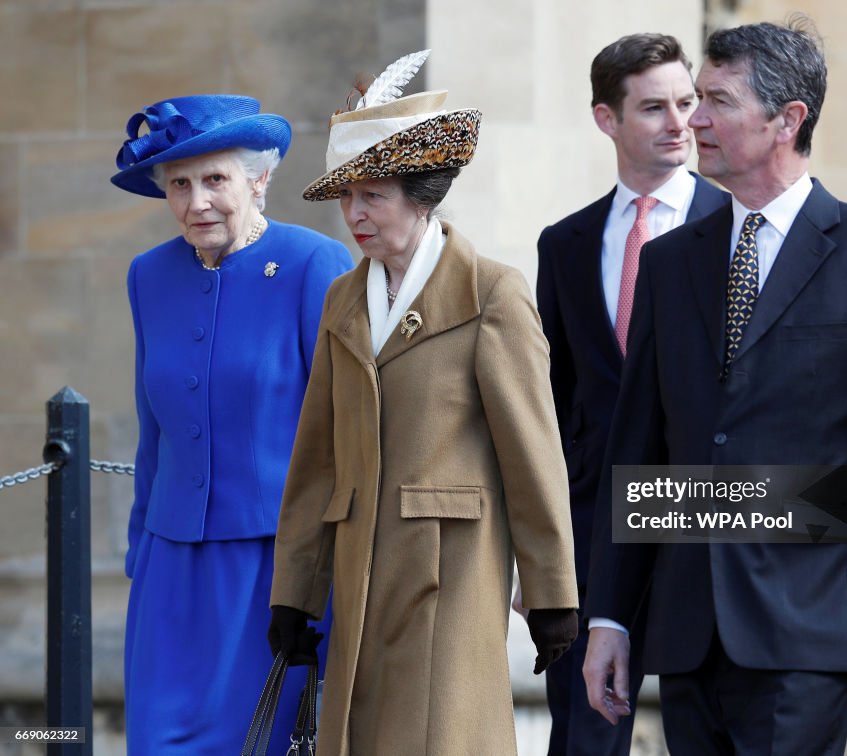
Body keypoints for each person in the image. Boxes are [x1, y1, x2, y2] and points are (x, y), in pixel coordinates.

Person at [583, 19, 847, 755]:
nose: (694, 122)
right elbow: (638, 451)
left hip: (809, 626)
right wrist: (610, 618)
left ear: (788, 120)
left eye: (716, 102)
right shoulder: (670, 264)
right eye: (695, 101)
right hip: (687, 625)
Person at [266, 52, 580, 755]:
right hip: (360, 571)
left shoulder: (492, 293)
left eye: (370, 195)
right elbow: (316, 456)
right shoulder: (342, 298)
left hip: (450, 573)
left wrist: (553, 592)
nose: (353, 214)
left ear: (421, 194)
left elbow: (532, 454)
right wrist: (296, 591)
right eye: (347, 197)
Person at [111, 94, 353, 753]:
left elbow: (347, 436)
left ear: (259, 178)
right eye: (179, 185)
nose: (196, 203)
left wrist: (326, 575)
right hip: (170, 571)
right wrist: (140, 553)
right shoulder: (148, 276)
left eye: (215, 180)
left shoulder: (315, 266)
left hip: (276, 573)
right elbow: (152, 429)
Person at [533, 33, 727, 756]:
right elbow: (549, 404)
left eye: (689, 102)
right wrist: (537, 550)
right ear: (605, 119)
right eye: (654, 108)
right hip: (586, 527)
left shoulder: (734, 228)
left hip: (701, 515)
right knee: (582, 737)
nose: (680, 122)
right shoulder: (566, 243)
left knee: (705, 724)